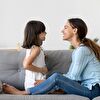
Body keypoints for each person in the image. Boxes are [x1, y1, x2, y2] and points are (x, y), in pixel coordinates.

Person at [3, 18, 100, 99]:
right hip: (87, 88)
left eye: (66, 27)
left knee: (56, 77)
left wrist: (47, 81)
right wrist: (49, 83)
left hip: (93, 90)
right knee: (57, 78)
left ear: (75, 31)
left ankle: (23, 93)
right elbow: (71, 76)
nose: (62, 30)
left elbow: (73, 78)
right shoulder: (78, 51)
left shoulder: (82, 51)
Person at [3, 20, 48, 94]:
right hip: (36, 83)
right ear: (37, 34)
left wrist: (42, 57)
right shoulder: (36, 49)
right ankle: (19, 92)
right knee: (58, 85)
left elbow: (29, 61)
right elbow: (26, 65)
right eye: (43, 31)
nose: (45, 33)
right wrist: (42, 70)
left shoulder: (33, 49)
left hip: (32, 83)